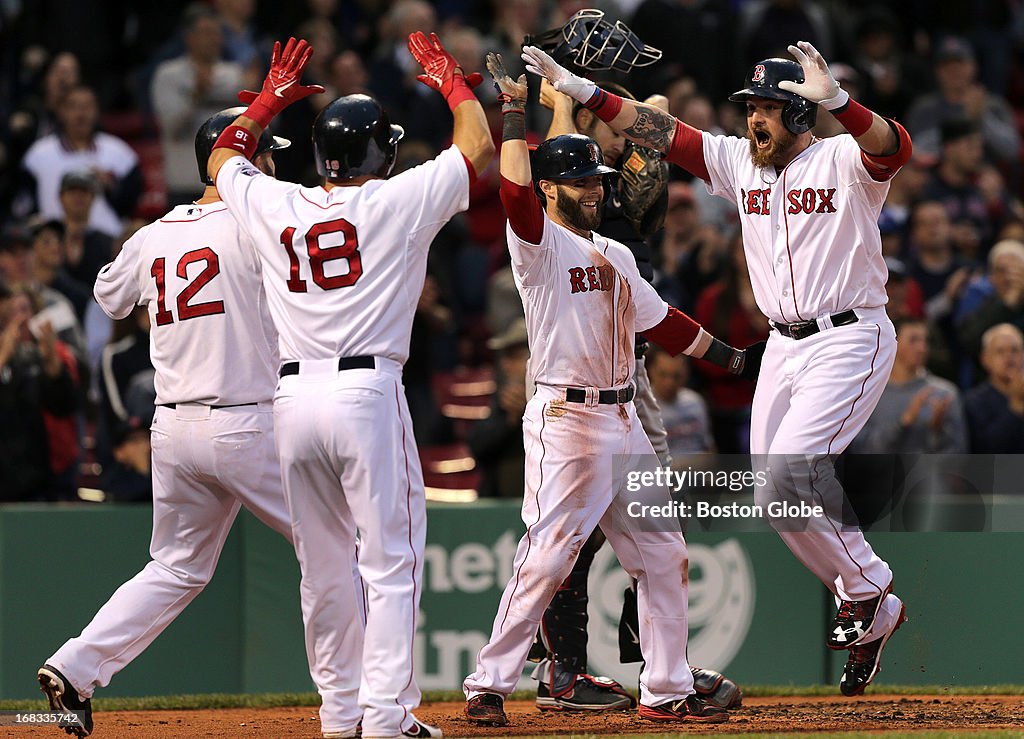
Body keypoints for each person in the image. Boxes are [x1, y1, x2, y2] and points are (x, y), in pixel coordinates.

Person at [521, 37, 911, 696]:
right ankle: (865, 593)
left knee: (791, 471)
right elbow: (662, 132)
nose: (753, 118)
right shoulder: (741, 163)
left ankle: (870, 590)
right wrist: (580, 91)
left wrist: (841, 103)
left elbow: (893, 147)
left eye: (767, 107)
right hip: (784, 345)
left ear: (799, 114)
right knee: (773, 493)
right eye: (749, 105)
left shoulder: (842, 158)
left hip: (850, 335)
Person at [463, 52, 765, 728]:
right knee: (547, 557)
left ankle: (665, 684)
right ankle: (488, 680)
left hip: (623, 417)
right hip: (566, 416)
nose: (594, 188)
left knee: (664, 553)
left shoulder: (617, 253)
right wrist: (515, 113)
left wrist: (737, 361)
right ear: (551, 187)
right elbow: (513, 196)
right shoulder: (537, 245)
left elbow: (669, 322)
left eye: (594, 178)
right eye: (577, 180)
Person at [205, 34, 493, 739]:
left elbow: (222, 159)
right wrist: (450, 82)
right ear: (380, 154)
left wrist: (268, 98)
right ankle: (388, 716)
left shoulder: (278, 203)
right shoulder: (398, 200)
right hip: (366, 394)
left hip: (293, 401)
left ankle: (340, 715)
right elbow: (478, 145)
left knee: (325, 567)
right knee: (389, 561)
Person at [36, 109, 305, 739]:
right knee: (340, 547)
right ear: (232, 158)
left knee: (176, 567)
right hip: (246, 422)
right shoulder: (259, 222)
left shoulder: (156, 231)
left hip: (173, 429)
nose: (271, 163)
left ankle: (75, 666)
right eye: (263, 153)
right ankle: (369, 703)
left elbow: (109, 294)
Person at [527, 76, 742, 713]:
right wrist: (564, 99)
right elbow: (557, 153)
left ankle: (659, 667)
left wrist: (583, 90)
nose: (594, 174)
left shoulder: (621, 181)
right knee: (574, 531)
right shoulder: (560, 186)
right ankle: (562, 672)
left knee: (652, 528)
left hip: (631, 370)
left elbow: (655, 120)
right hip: (578, 378)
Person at [849, 316, 967, 454]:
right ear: (892, 343)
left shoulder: (944, 393)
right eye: (913, 340)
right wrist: (904, 422)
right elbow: (862, 451)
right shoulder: (868, 393)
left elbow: (957, 454)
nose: (922, 348)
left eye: (925, 341)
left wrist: (937, 430)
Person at [963, 323, 1024, 453]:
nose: (1009, 356)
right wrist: (1016, 406)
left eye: (1014, 350)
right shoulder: (973, 403)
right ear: (985, 359)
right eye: (1000, 351)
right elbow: (986, 450)